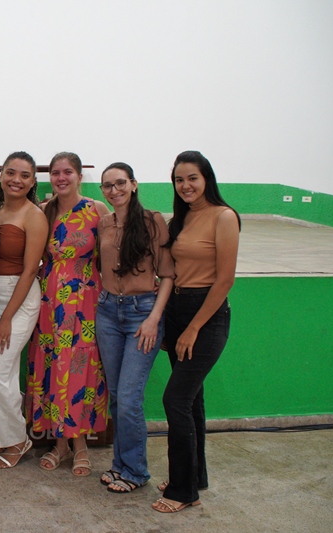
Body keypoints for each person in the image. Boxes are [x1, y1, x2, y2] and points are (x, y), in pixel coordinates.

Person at [152, 151, 240, 513]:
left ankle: (182, 491)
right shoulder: (182, 218)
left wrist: (192, 328)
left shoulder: (224, 216)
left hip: (207, 315)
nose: (185, 185)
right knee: (192, 400)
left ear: (207, 179)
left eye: (192, 178)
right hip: (177, 310)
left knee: (175, 400)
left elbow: (225, 280)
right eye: (179, 179)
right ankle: (195, 475)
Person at [25, 151, 110, 475]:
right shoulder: (43, 212)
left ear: (79, 176)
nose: (61, 178)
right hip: (50, 300)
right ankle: (60, 444)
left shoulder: (97, 210)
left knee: (79, 367)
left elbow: (110, 255)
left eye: (67, 172)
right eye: (55, 173)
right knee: (53, 365)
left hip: (86, 299)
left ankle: (80, 443)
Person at [95, 162, 174, 493]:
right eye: (107, 185)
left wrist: (154, 318)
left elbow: (167, 275)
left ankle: (137, 471)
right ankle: (120, 465)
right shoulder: (103, 223)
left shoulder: (152, 221)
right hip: (108, 312)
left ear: (134, 184)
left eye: (120, 183)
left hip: (143, 314)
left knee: (129, 397)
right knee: (117, 396)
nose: (114, 190)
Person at [0, 152, 47, 469]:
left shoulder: (34, 215)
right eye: (11, 172)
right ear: (2, 175)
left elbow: (30, 270)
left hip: (19, 298)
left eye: (24, 175)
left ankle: (18, 438)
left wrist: (6, 319)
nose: (16, 180)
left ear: (33, 182)